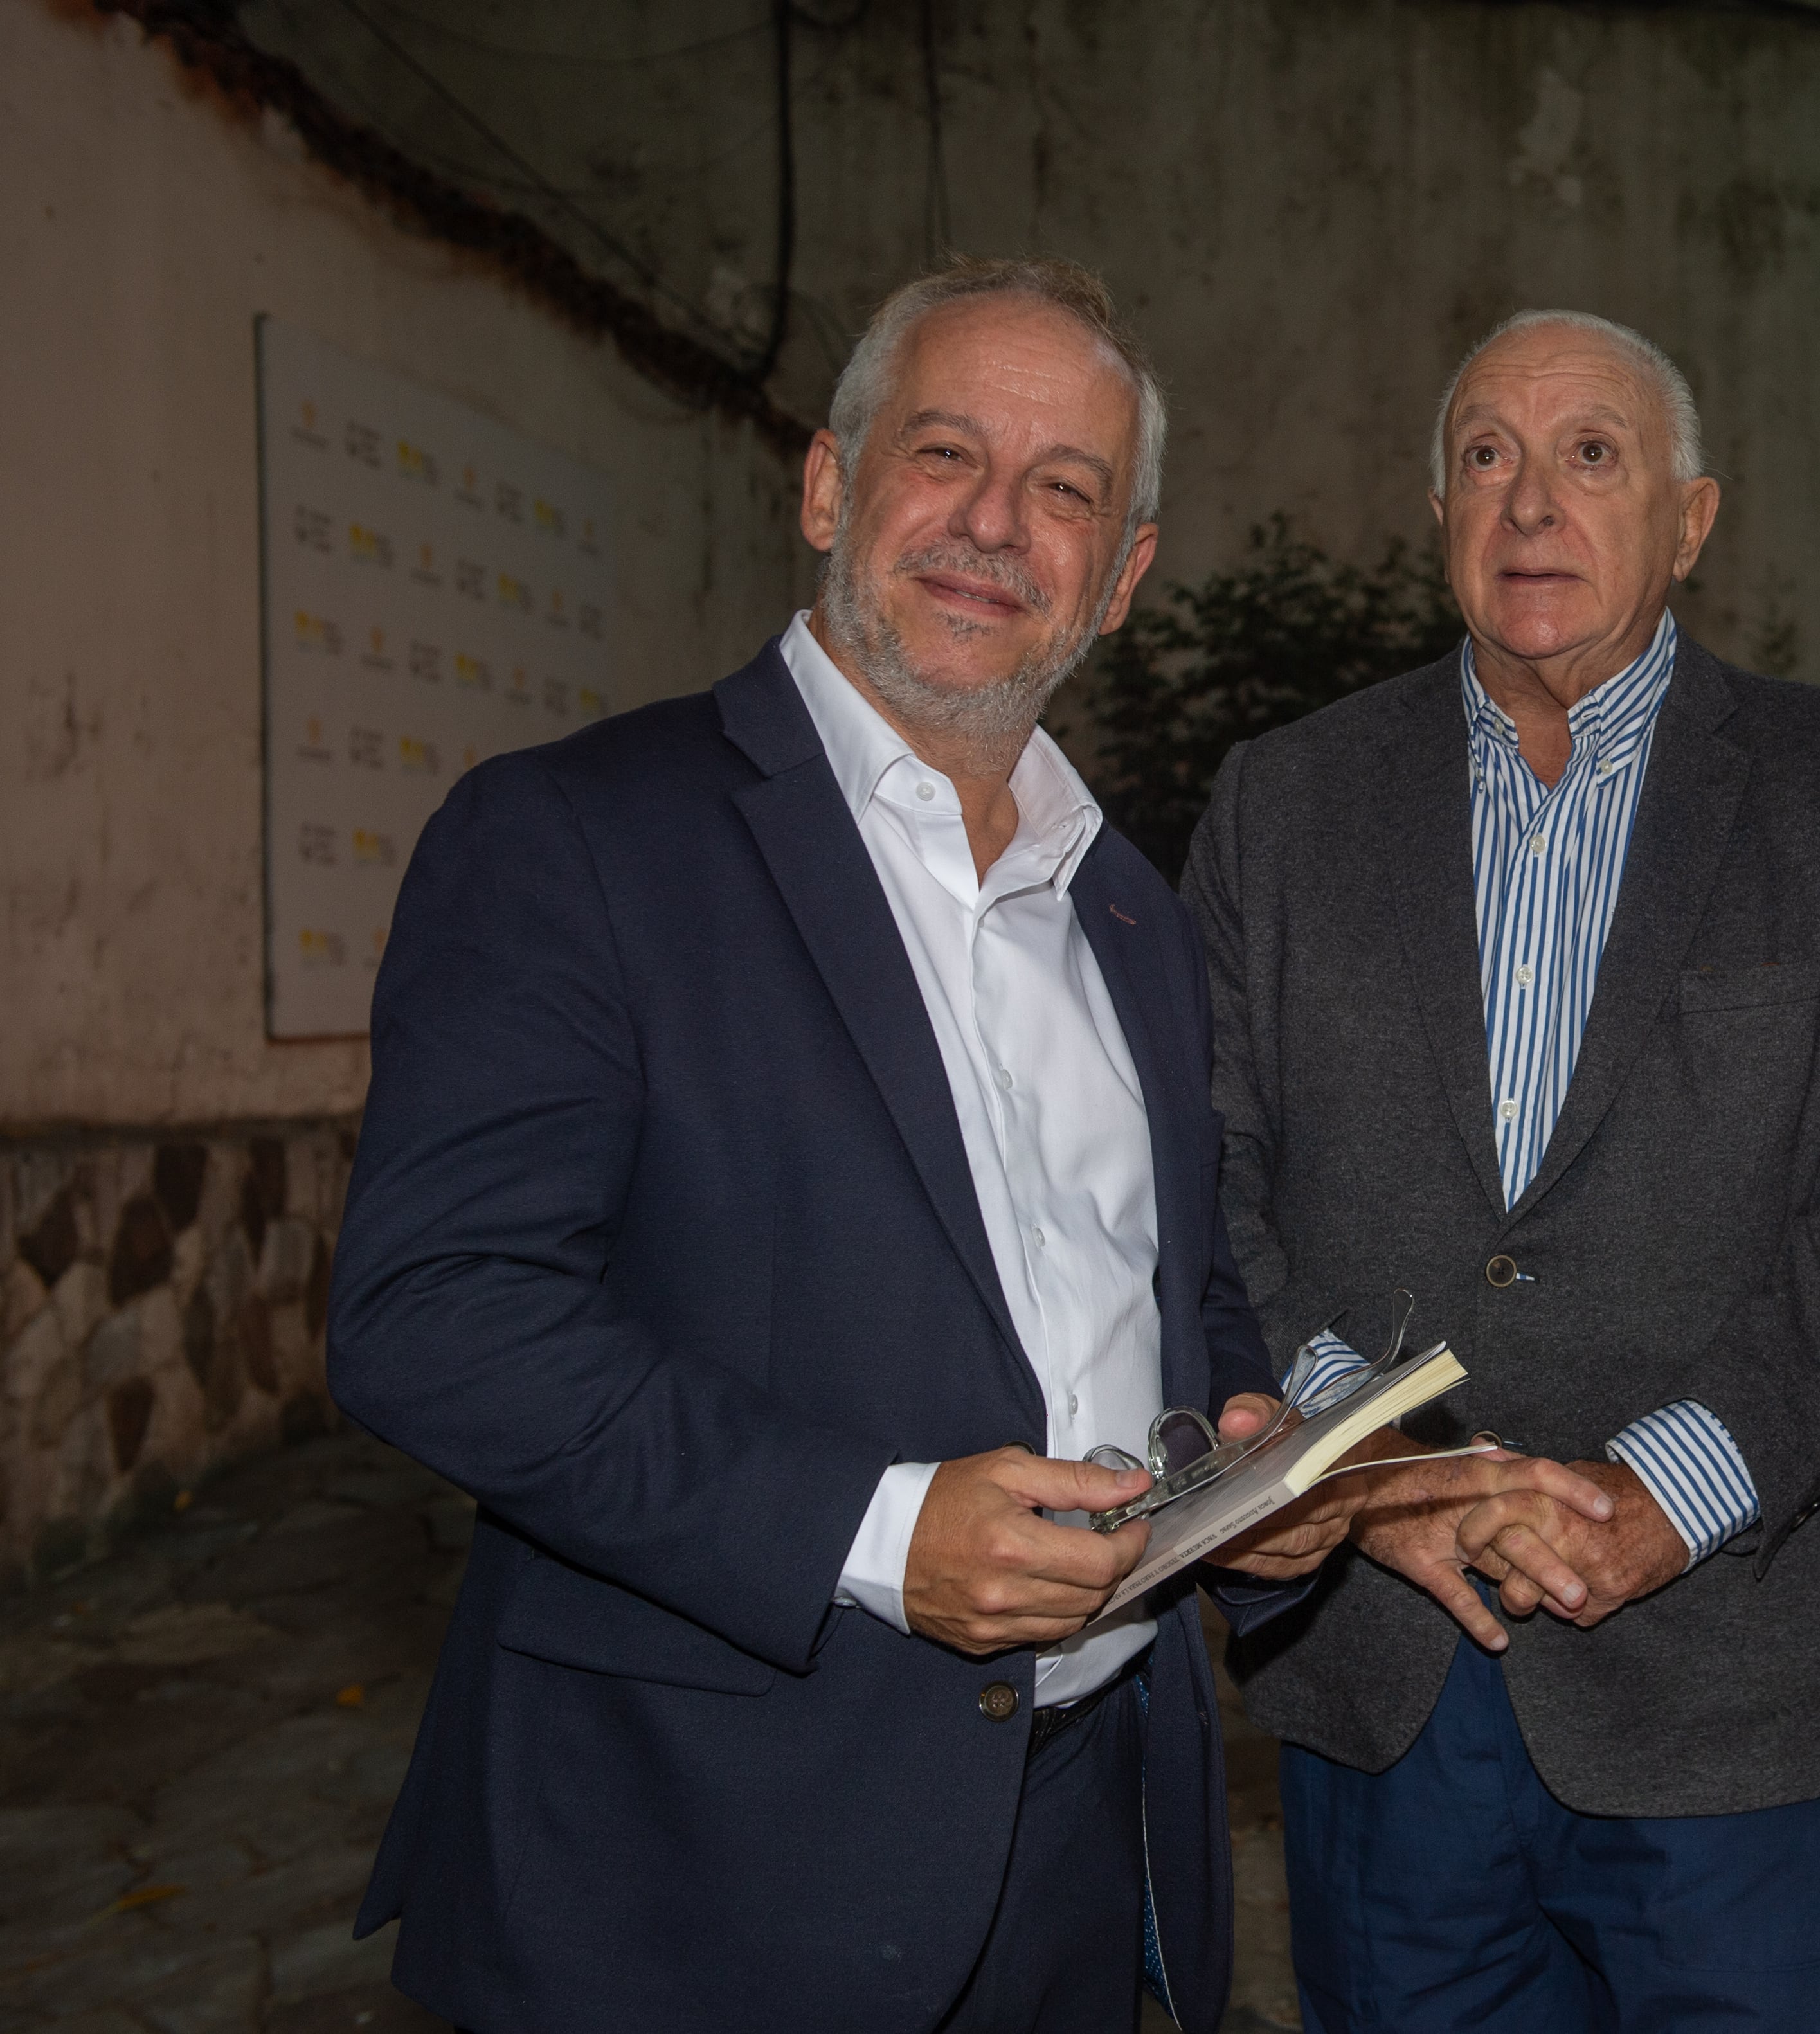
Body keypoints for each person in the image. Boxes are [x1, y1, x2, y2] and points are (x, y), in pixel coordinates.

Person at [326, 256, 1340, 2034]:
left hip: (1091, 1842)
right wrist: (874, 1529)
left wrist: (1236, 1457)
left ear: (1120, 573)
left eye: (1064, 490)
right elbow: (436, 1309)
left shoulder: (1127, 911)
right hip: (703, 1863)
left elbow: (1170, 1285)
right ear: (827, 485)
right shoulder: (577, 837)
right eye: (944, 453)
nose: (992, 525)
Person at [1184, 309, 1820, 2030]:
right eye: (1485, 456)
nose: (1531, 502)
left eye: (1590, 452)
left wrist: (1680, 1480)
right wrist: (1371, 1467)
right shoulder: (1283, 803)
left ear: (1689, 516)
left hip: (1723, 1665)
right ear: (1437, 509)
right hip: (1384, 1673)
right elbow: (1211, 1180)